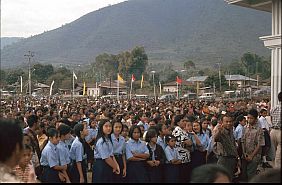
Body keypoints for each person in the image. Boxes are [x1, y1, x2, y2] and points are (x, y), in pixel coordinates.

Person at [240, 109, 265, 181]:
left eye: (251, 118)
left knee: (251, 173)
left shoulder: (259, 130)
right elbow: (243, 141)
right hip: (245, 155)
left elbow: (259, 145)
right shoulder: (245, 128)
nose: (249, 120)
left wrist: (252, 156)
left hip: (254, 156)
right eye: (248, 118)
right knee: (244, 174)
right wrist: (244, 154)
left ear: (255, 119)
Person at [214, 113, 238, 179]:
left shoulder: (231, 130)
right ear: (222, 122)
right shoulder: (220, 131)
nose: (229, 123)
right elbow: (215, 139)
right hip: (224, 159)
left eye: (230, 122)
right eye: (226, 122)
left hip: (232, 158)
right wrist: (219, 131)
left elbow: (233, 145)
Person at [270, 91, 281, 169]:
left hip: (273, 131)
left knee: (274, 152)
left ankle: (275, 167)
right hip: (280, 132)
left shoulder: (274, 108)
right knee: (279, 154)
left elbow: (271, 119)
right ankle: (277, 171)